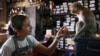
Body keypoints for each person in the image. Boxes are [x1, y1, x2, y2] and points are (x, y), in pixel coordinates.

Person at [0, 15, 68, 56]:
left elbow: (48, 52)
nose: (31, 27)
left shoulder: (29, 39)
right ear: (17, 30)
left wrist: (57, 38)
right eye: (27, 25)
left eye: (29, 24)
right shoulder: (8, 46)